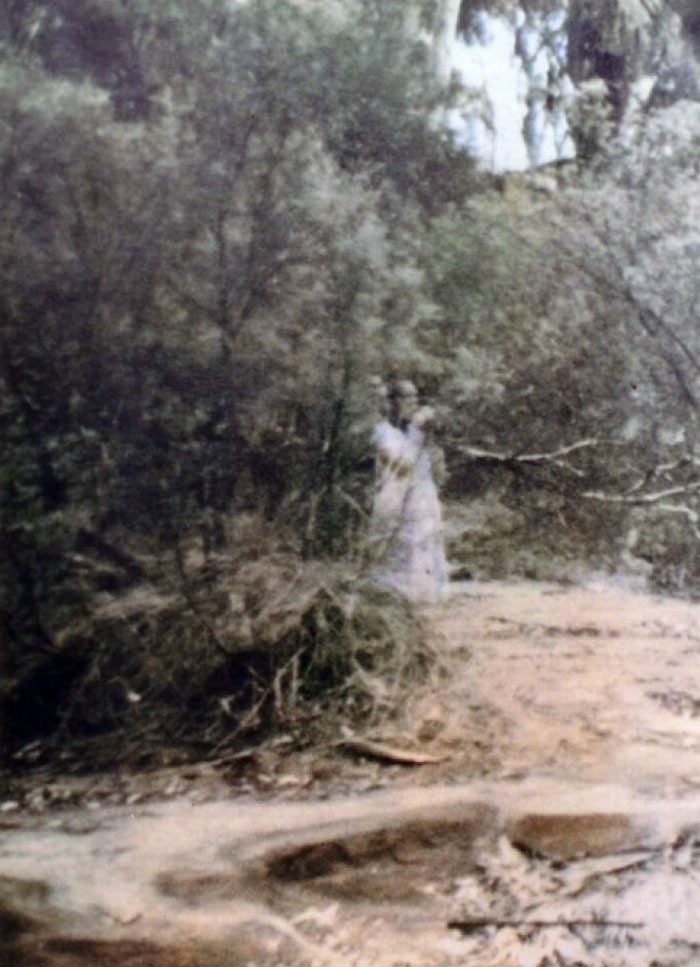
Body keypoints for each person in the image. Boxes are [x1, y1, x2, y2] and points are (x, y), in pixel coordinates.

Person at [368, 378, 448, 602]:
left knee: (425, 539)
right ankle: (397, 594)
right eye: (406, 397)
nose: (412, 402)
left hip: (422, 496)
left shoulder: (416, 429)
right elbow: (401, 467)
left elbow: (433, 463)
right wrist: (416, 433)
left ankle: (424, 593)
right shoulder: (383, 432)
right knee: (400, 542)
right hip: (395, 497)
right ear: (393, 401)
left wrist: (425, 432)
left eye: (414, 396)